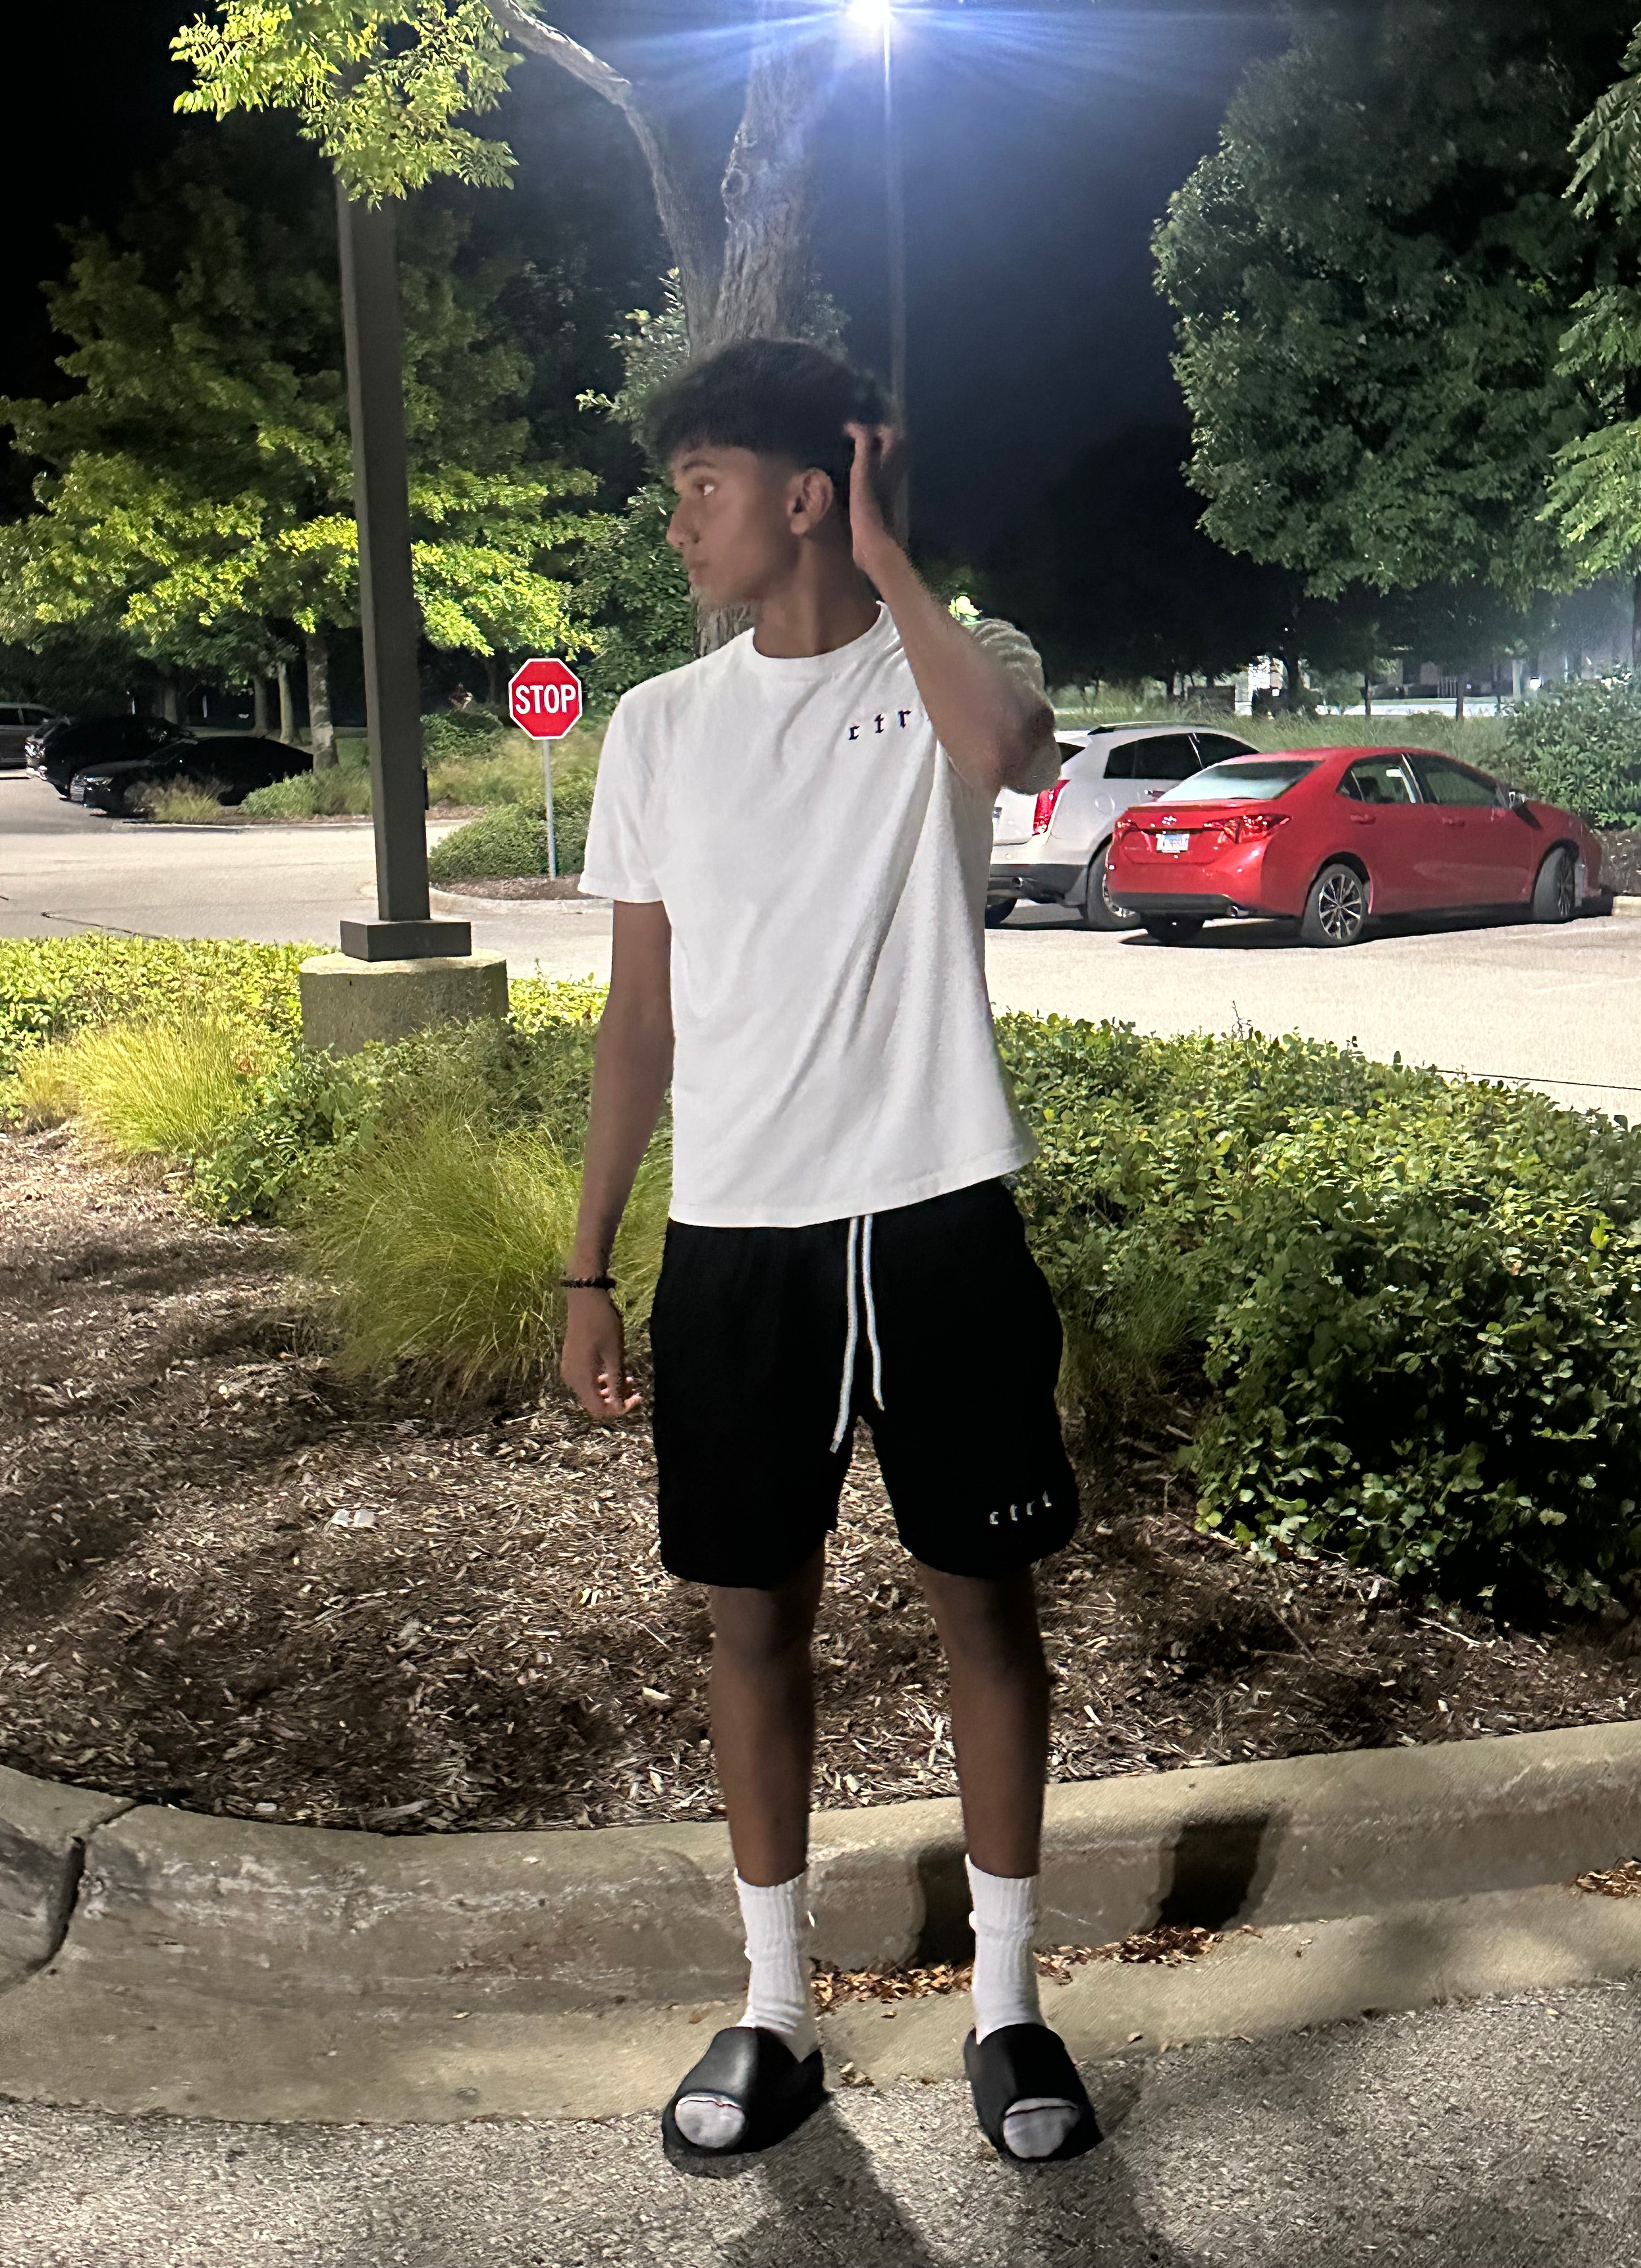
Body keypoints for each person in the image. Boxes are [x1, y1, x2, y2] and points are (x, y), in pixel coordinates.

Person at [560, 338, 1100, 2171]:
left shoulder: (957, 659)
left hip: (936, 1207)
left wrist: (883, 554)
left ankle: (1007, 2005)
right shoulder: (658, 725)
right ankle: (776, 2008)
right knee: (750, 1621)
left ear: (807, 491)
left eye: (701, 487)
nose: (676, 525)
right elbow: (639, 1020)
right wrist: (585, 1268)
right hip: (737, 1237)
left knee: (984, 1605)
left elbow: (1009, 756)